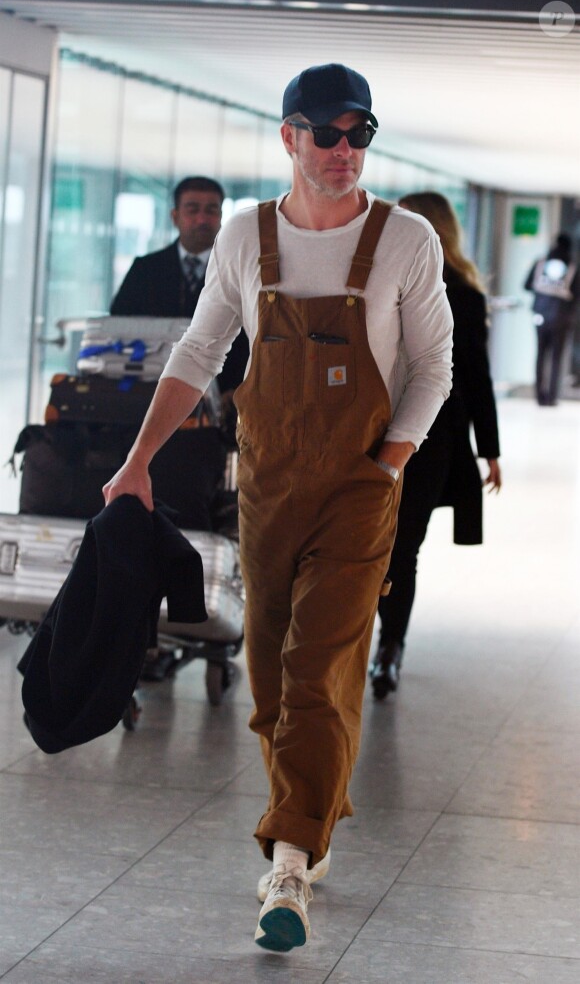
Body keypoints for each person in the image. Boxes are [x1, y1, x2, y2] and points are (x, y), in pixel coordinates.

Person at [103, 63, 453, 952]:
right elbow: (196, 351)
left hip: (360, 489)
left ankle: (289, 863)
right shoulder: (248, 236)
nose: (344, 150)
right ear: (288, 136)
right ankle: (313, 811)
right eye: (324, 132)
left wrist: (388, 461)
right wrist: (138, 460)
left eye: (358, 132)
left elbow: (432, 368)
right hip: (266, 483)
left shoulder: (405, 238)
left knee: (317, 668)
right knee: (268, 678)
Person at [370, 191, 502, 700]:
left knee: (403, 548)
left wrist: (489, 449)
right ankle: (362, 641)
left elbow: (476, 377)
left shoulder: (463, 295)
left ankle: (390, 647)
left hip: (434, 438)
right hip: (370, 429)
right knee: (363, 543)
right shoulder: (377, 278)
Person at [110, 175, 249, 393]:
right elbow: (118, 328)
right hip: (148, 392)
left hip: (223, 399)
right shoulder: (145, 270)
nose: (202, 219)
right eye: (192, 210)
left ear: (221, 217)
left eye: (211, 210)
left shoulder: (239, 272)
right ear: (175, 217)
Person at [524, 232, 579, 406]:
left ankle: (539, 395)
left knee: (540, 354)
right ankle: (552, 396)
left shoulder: (541, 263)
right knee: (557, 356)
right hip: (562, 318)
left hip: (540, 315)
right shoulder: (572, 267)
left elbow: (526, 285)